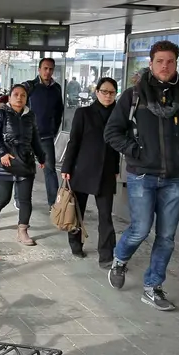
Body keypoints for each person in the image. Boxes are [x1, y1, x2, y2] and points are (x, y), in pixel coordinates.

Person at [104, 41, 179, 311]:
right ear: (151, 63)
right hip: (141, 175)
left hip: (174, 177)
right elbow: (112, 132)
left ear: (176, 64)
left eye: (170, 61)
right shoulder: (133, 95)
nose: (165, 66)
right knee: (140, 229)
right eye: (160, 61)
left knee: (167, 237)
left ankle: (153, 287)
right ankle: (119, 259)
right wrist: (136, 151)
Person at [60, 77, 121, 267]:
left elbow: (118, 145)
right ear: (97, 92)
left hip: (106, 171)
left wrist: (116, 168)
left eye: (112, 92)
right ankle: (75, 244)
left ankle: (107, 255)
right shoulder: (83, 113)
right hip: (82, 169)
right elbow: (74, 141)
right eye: (104, 91)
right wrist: (66, 167)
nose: (108, 96)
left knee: (105, 215)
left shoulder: (119, 115)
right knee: (77, 211)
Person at [0, 84, 47, 246]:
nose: (19, 98)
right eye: (16, 94)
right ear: (10, 97)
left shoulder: (30, 116)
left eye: (23, 95)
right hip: (5, 162)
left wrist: (42, 158)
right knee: (3, 198)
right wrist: (2, 154)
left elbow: (35, 139)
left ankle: (23, 231)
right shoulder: (0, 114)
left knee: (25, 199)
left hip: (25, 162)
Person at [24, 57, 66, 207]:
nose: (48, 72)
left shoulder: (56, 88)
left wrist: (54, 129)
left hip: (46, 135)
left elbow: (59, 111)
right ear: (39, 69)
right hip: (28, 136)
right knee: (24, 168)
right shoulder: (30, 86)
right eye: (45, 68)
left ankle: (53, 204)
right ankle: (20, 199)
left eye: (51, 69)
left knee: (50, 169)